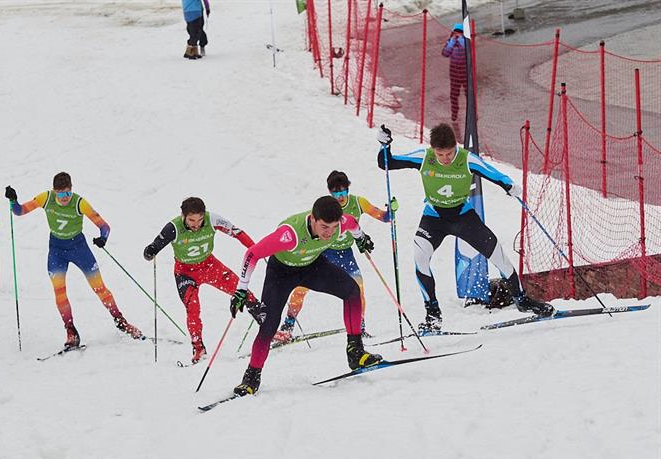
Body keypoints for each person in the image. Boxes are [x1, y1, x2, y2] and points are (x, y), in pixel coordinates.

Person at [376, 123, 554, 330]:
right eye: (440, 154)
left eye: (449, 153)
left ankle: (521, 300)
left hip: (463, 216)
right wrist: (384, 146)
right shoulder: (424, 157)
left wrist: (509, 185)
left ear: (456, 147)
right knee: (420, 258)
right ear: (433, 149)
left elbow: (492, 173)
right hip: (434, 218)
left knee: (499, 256)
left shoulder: (465, 158)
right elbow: (387, 163)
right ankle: (433, 313)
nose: (445, 159)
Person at [229, 196, 382, 396]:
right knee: (269, 325)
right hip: (281, 273)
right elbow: (252, 254)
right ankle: (251, 378)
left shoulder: (339, 223)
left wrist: (361, 238)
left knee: (352, 291)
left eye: (334, 227)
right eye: (324, 227)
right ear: (312, 219)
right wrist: (241, 289)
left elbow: (352, 223)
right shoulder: (289, 234)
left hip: (312, 266)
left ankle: (356, 352)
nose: (329, 233)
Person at [4, 172, 142, 348]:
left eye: (67, 193)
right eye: (60, 194)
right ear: (54, 192)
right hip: (56, 250)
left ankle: (121, 321)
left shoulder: (79, 202)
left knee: (99, 288)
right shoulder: (45, 198)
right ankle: (71, 331)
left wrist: (103, 238)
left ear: (72, 190)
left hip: (79, 248)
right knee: (59, 292)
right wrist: (13, 200)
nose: (64, 198)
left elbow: (104, 226)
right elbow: (19, 211)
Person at [274, 170, 398, 343]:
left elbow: (384, 217)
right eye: (335, 192)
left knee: (358, 288)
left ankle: (359, 327)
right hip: (323, 251)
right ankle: (287, 326)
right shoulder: (326, 207)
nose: (340, 196)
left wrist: (391, 210)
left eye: (343, 191)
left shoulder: (358, 202)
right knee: (301, 288)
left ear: (348, 188)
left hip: (345, 253)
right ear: (329, 192)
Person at [143, 197, 265, 364]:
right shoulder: (174, 227)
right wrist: (150, 252)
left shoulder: (212, 219)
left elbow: (238, 233)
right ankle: (198, 348)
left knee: (241, 291)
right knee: (192, 309)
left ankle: (267, 327)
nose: (196, 224)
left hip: (209, 266)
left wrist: (256, 249)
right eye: (191, 220)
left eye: (200, 220)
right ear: (183, 216)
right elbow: (153, 247)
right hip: (185, 273)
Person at [441, 23, 466, 122]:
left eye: (459, 32)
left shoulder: (466, 41)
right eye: (455, 32)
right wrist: (451, 42)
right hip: (454, 71)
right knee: (454, 94)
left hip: (465, 70)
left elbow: (465, 50)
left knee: (468, 93)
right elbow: (445, 53)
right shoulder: (450, 41)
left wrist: (460, 40)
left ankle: (472, 113)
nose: (456, 34)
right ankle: (454, 113)